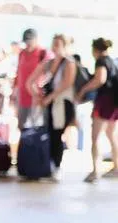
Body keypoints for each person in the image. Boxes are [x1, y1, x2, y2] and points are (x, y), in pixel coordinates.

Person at [26, 34, 77, 175]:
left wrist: (50, 98)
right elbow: (30, 82)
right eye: (53, 44)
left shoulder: (69, 62)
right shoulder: (48, 63)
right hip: (49, 104)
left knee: (57, 134)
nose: (55, 47)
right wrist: (38, 95)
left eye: (58, 44)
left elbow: (67, 83)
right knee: (49, 133)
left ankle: (56, 166)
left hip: (63, 104)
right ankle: (48, 164)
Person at [77, 38, 118, 182]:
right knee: (111, 134)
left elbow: (100, 79)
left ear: (95, 50)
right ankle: (116, 167)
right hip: (113, 103)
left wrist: (83, 90)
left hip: (103, 102)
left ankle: (95, 171)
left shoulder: (101, 61)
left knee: (95, 137)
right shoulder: (112, 62)